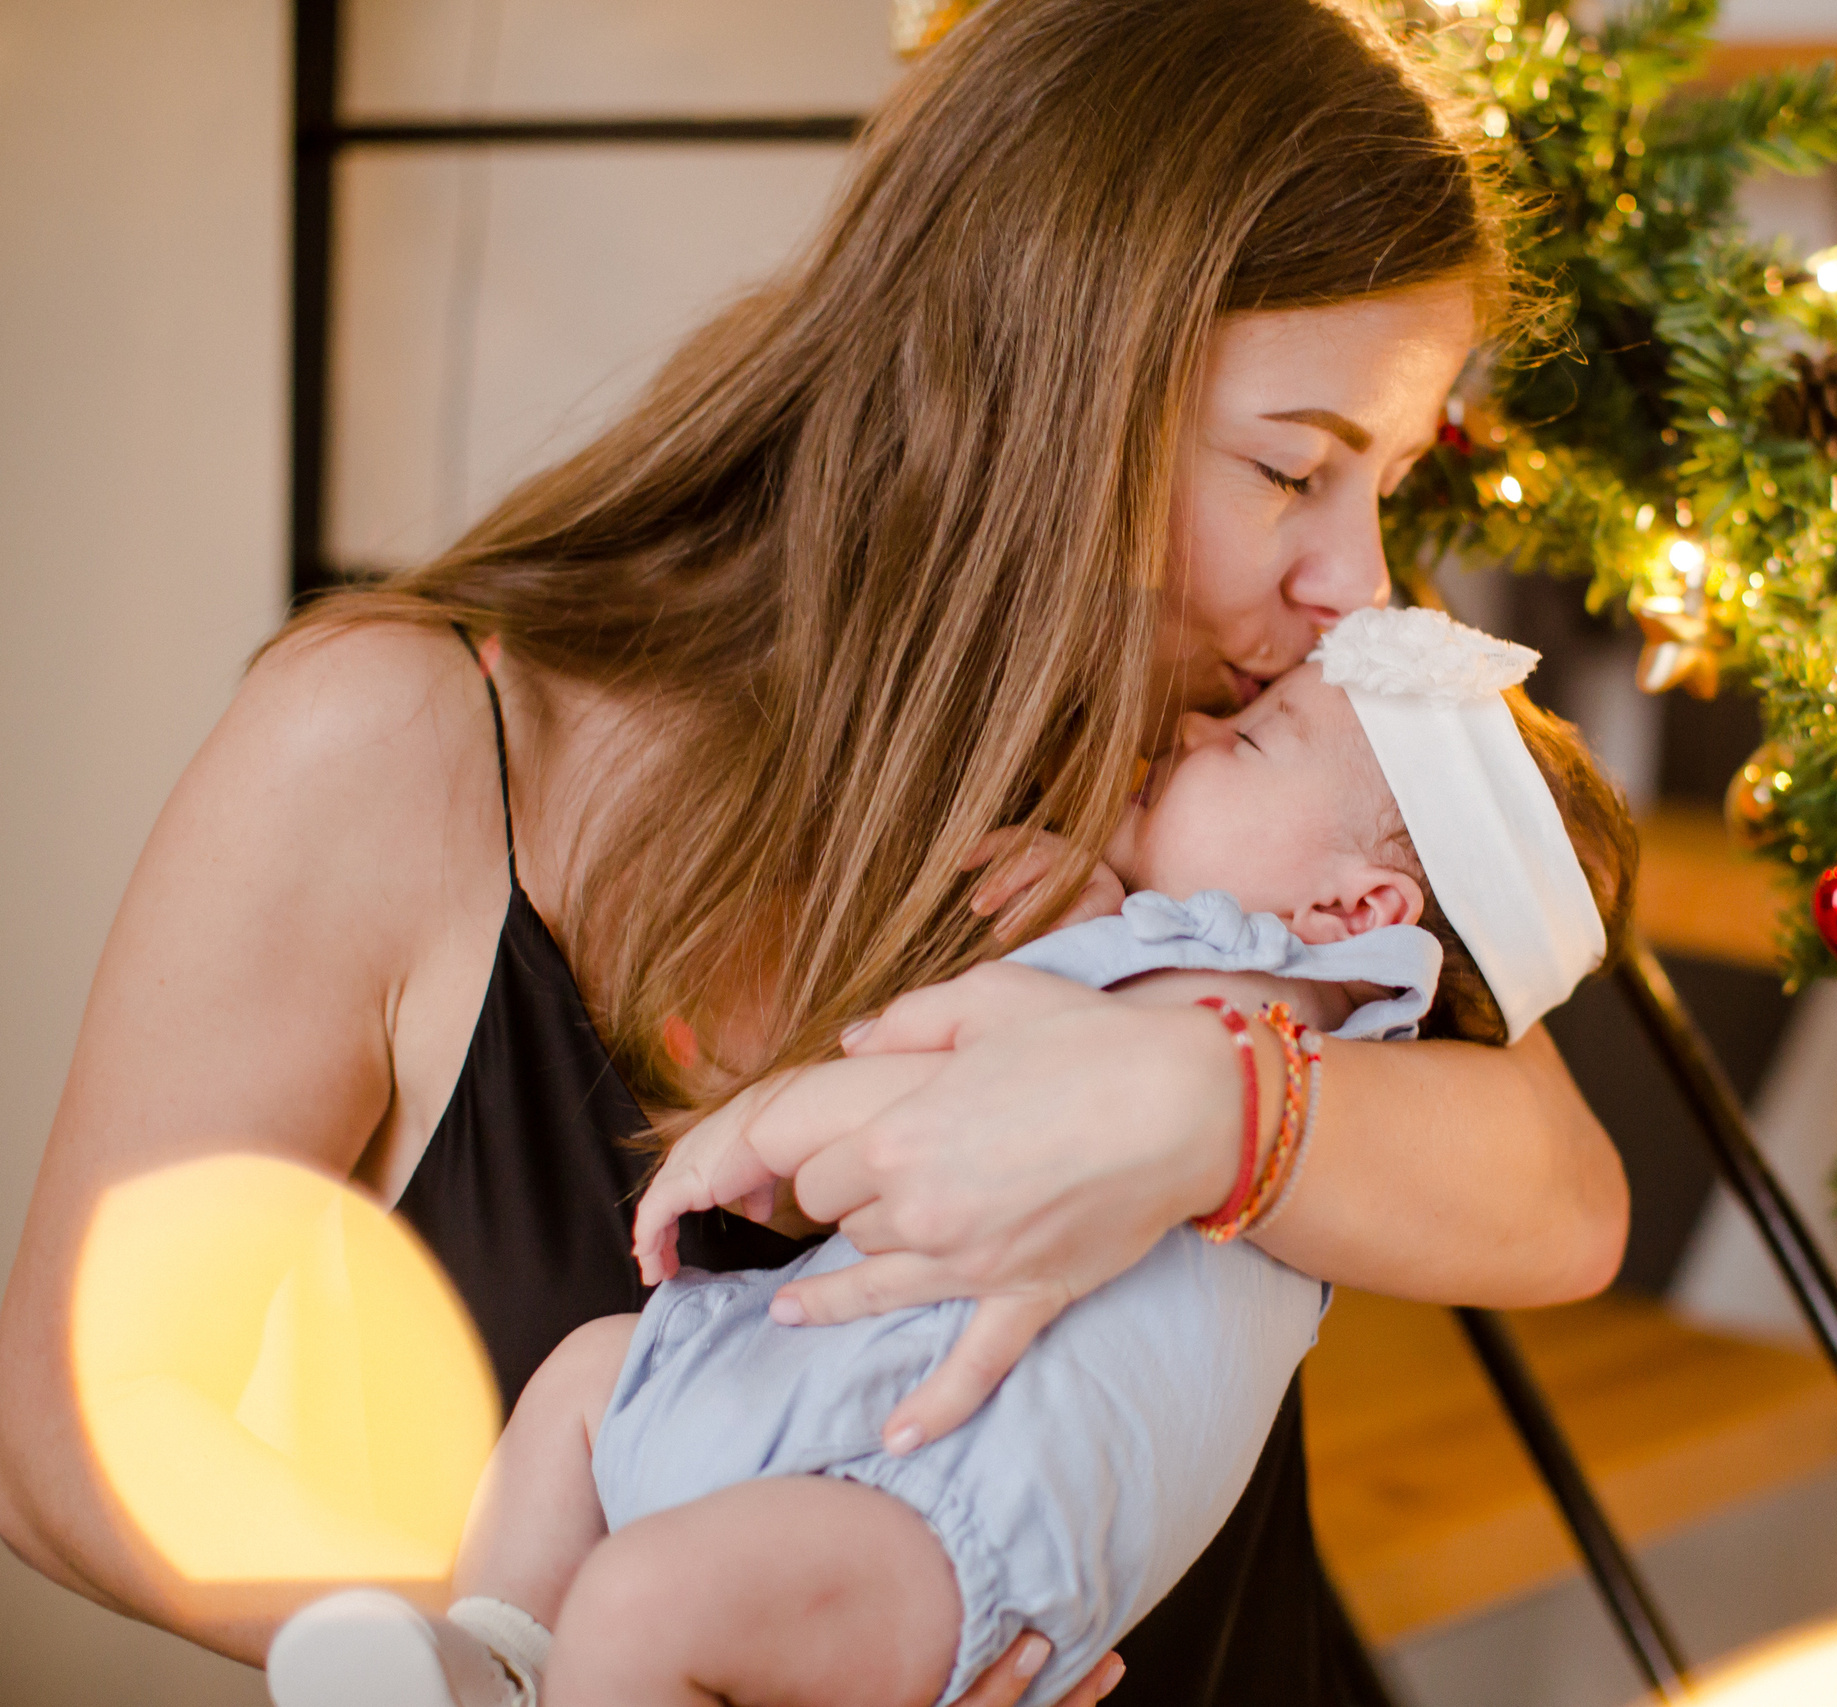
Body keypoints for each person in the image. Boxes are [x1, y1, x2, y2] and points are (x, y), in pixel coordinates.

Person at [0, 3, 1631, 1702]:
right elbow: (73, 1423)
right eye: (1295, 468)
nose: (1358, 583)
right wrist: (614, 1649)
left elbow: (1564, 1197)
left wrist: (1198, 1107)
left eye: (1382, 484)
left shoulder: (1237, 733)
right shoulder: (406, 750)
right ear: (1038, 387)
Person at [263, 608, 1640, 1707]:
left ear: (1356, 908)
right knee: (582, 1384)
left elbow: (935, 1082)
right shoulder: (1183, 964)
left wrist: (765, 1130)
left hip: (945, 1514)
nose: (1194, 731)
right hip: (839, 1407)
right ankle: (499, 1659)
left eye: (1254, 744)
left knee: (641, 1608)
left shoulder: (1270, 1001)